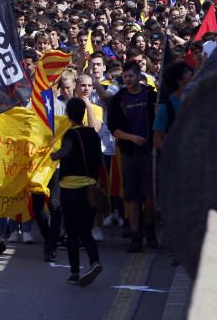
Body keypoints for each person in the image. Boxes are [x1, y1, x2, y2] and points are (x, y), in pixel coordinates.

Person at [50, 98, 104, 286]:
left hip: (70, 190)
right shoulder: (93, 134)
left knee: (72, 233)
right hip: (89, 188)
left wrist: (54, 155)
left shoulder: (70, 135)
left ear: (68, 115)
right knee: (86, 231)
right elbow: (99, 159)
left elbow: (65, 151)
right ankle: (95, 261)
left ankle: (74, 272)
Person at [106, 60, 157, 252]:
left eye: (131, 76)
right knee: (131, 197)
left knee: (150, 196)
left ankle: (150, 229)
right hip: (129, 153)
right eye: (125, 77)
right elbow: (114, 128)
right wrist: (132, 138)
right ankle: (136, 236)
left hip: (149, 153)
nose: (127, 80)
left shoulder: (151, 96)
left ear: (139, 76)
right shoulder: (119, 99)